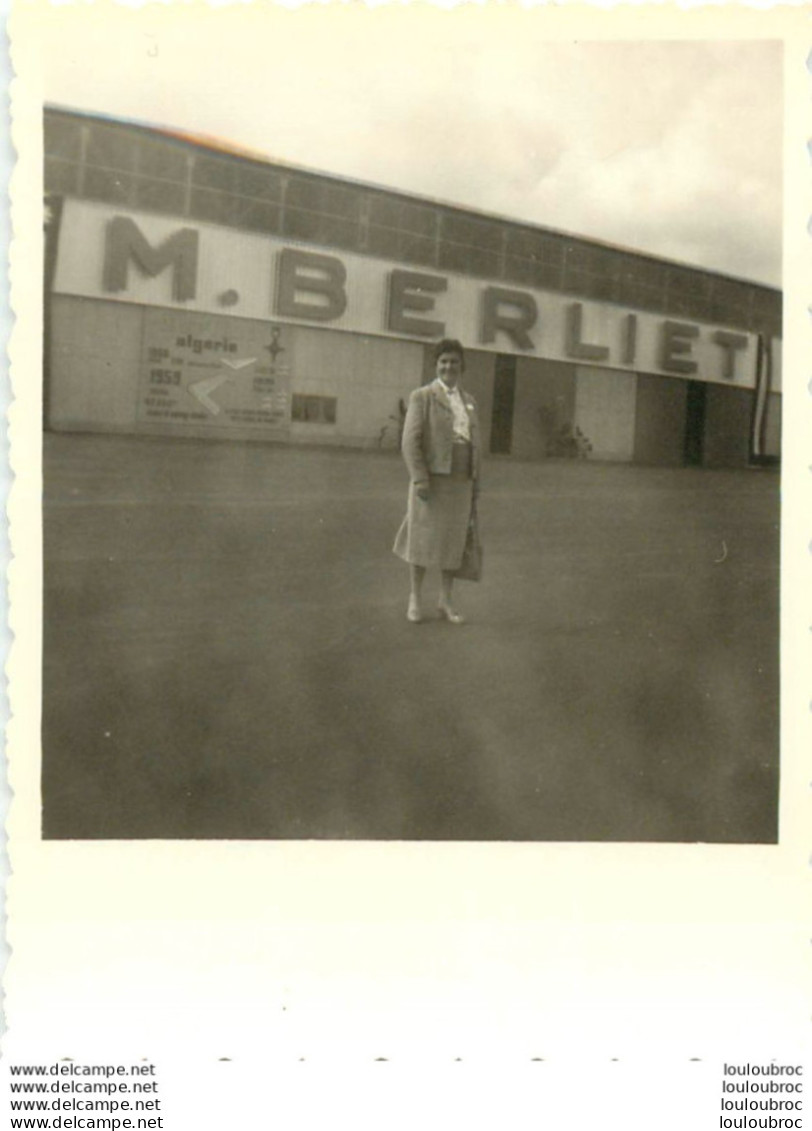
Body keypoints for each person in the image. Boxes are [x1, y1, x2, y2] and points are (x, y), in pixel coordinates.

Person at [393, 338, 481, 624]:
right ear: (436, 365)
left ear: (462, 366)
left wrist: (475, 482)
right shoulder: (422, 396)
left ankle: (445, 601)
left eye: (454, 361)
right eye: (443, 361)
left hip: (461, 481)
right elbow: (410, 442)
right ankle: (415, 599)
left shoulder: (469, 401)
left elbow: (474, 443)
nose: (448, 366)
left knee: (452, 543)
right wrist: (420, 479)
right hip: (431, 480)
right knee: (422, 538)